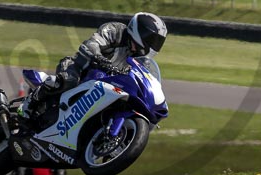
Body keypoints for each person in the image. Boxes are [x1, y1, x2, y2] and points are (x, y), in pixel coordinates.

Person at [18, 12, 167, 122]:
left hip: (106, 84)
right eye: (151, 39)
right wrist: (100, 59)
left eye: (157, 42)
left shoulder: (139, 59)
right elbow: (91, 44)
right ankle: (30, 103)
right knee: (68, 81)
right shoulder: (116, 31)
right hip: (81, 69)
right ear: (140, 31)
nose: (153, 44)